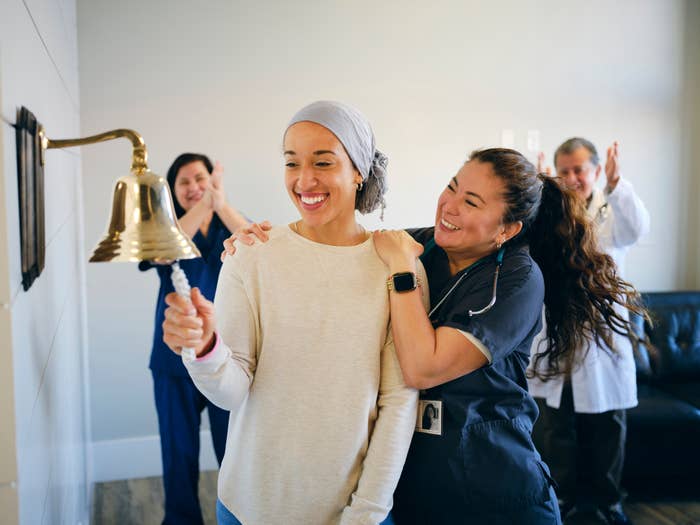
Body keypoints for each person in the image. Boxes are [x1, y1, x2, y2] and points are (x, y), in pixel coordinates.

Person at [226, 147, 646, 524]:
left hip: (492, 488)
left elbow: (422, 367)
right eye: (452, 187)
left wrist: (403, 273)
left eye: (472, 201)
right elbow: (337, 248)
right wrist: (256, 243)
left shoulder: (517, 279)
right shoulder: (425, 245)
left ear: (507, 230)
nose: (450, 205)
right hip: (419, 488)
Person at [161, 101, 420, 525]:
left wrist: (366, 514)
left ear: (359, 171)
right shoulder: (252, 253)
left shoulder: (397, 265)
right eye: (291, 163)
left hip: (353, 514)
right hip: (246, 507)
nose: (304, 180)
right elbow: (230, 391)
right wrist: (204, 347)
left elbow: (398, 401)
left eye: (323, 162)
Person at [529, 138, 650, 525]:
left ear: (596, 170)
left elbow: (637, 228)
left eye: (579, 169)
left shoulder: (611, 210)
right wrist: (538, 193)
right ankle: (558, 501)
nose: (571, 177)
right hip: (557, 335)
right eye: (563, 171)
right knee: (554, 428)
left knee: (607, 429)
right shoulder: (551, 213)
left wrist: (617, 186)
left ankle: (608, 502)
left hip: (601, 341)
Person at [139, 153, 249, 525]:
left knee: (232, 454)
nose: (193, 187)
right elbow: (159, 251)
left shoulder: (228, 224)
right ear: (173, 190)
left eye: (200, 179)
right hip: (172, 361)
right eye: (183, 182)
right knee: (178, 453)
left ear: (213, 182)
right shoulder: (166, 227)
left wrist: (220, 204)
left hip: (224, 359)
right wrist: (204, 205)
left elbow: (260, 247)